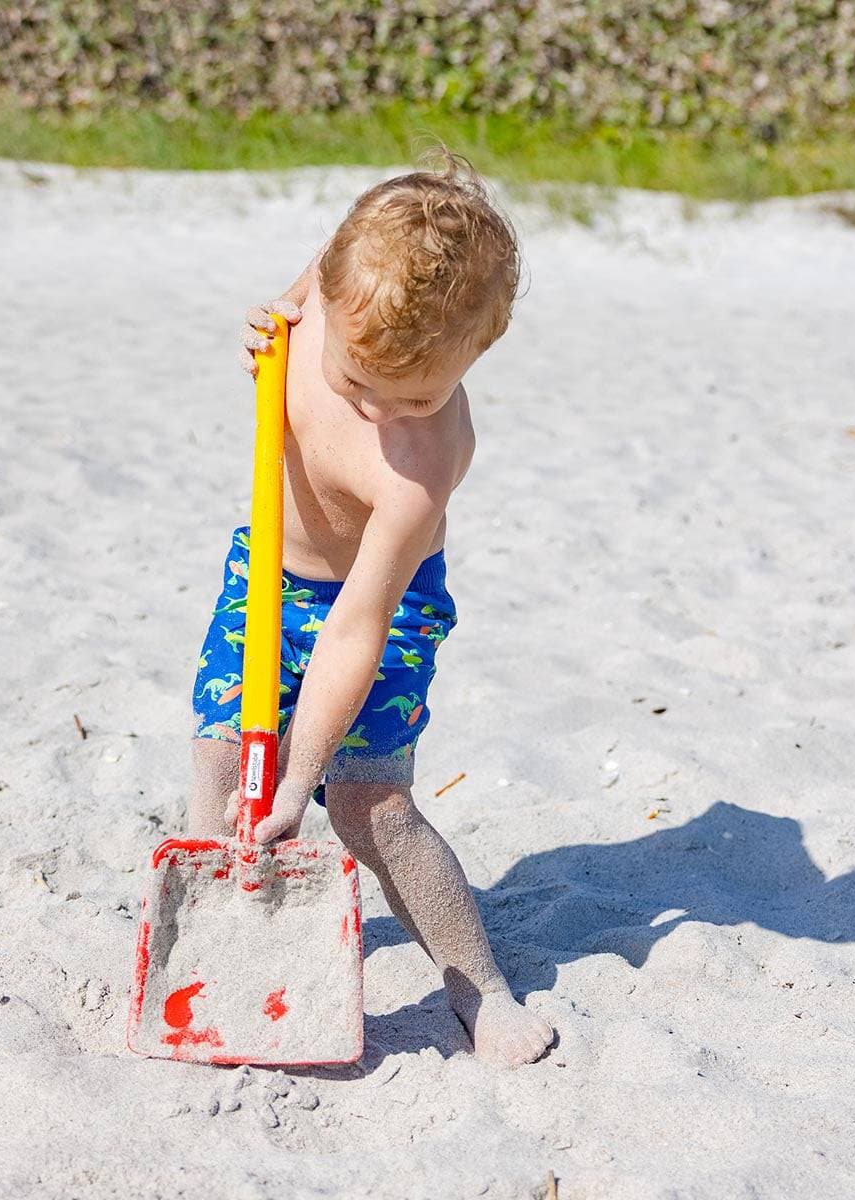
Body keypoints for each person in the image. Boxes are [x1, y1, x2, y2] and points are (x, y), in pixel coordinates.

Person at [190, 154, 554, 1067]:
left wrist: (302, 774)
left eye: (420, 394)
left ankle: (479, 989)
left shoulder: (424, 463)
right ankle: (214, 948)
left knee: (367, 802)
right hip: (267, 580)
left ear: (480, 350)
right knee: (222, 764)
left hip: (380, 611)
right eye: (359, 384)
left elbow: (356, 629)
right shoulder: (338, 286)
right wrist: (269, 322)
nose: (388, 412)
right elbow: (306, 284)